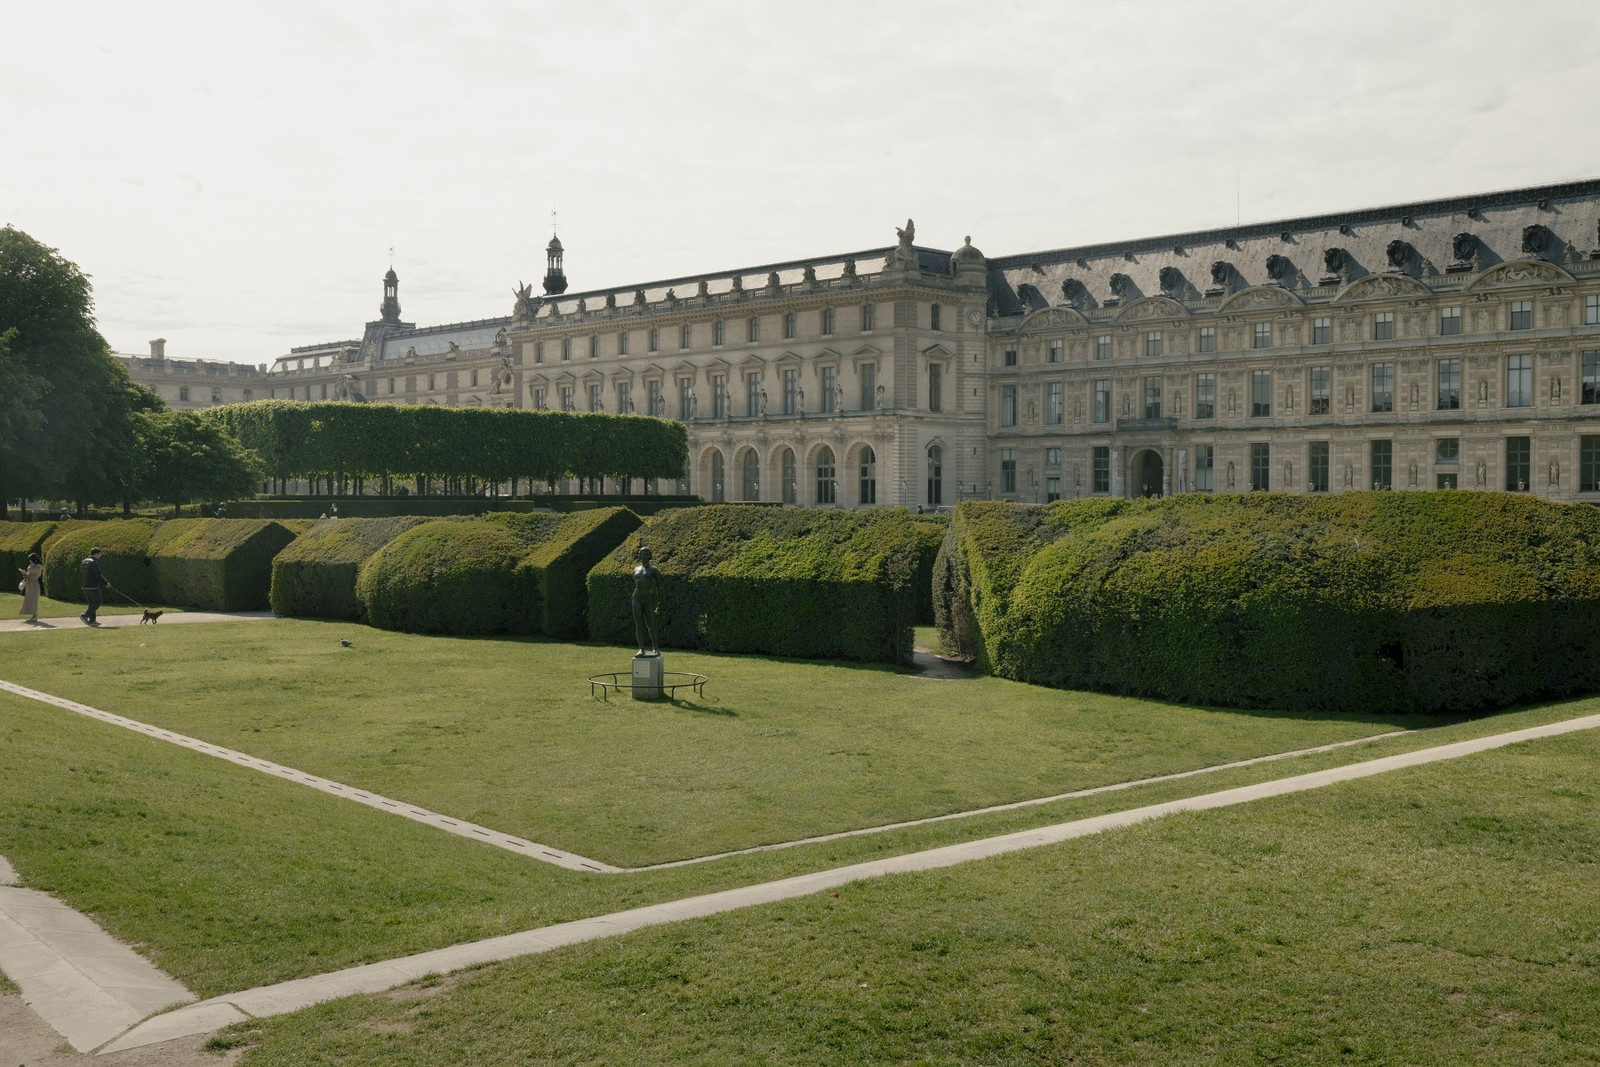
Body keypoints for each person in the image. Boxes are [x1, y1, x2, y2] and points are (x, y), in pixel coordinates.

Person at [631, 546, 662, 656]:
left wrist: (659, 603)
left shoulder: (654, 570)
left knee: (651, 625)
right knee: (638, 625)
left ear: (650, 556)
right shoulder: (636, 569)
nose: (643, 556)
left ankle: (655, 647)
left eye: (646, 554)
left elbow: (659, 588)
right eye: (642, 554)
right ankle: (641, 648)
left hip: (648, 600)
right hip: (636, 599)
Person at [78, 547, 107, 626]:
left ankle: (92, 620)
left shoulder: (84, 561)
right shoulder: (94, 562)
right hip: (92, 586)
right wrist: (106, 583)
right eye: (99, 554)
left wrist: (82, 585)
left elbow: (80, 575)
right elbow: (98, 575)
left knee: (91, 603)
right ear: (96, 554)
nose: (100, 556)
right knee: (98, 602)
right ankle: (84, 615)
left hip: (84, 586)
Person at [17, 551, 42, 624]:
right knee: (28, 600)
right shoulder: (31, 566)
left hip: (34, 585)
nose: (29, 561)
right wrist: (24, 573)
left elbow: (33, 571)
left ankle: (35, 616)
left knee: (34, 600)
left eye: (30, 559)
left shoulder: (39, 566)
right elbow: (27, 576)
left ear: (33, 559)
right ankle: (33, 616)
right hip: (29, 585)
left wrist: (29, 567)